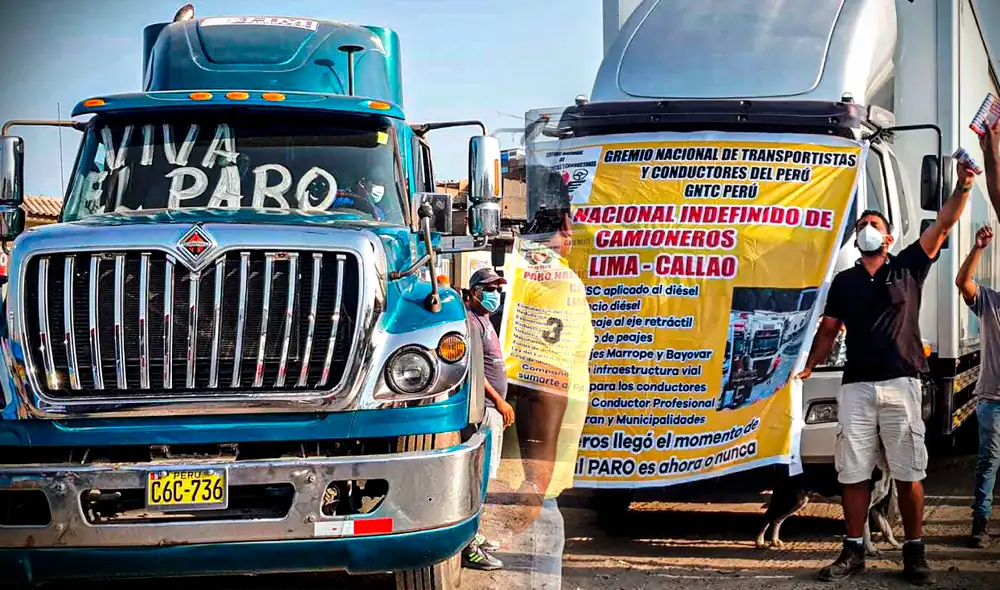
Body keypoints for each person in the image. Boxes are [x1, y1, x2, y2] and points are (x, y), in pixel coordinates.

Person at [797, 156, 976, 585]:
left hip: (902, 382)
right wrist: (807, 368)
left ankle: (915, 554)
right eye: (861, 225)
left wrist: (964, 187)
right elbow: (828, 330)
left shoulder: (909, 265)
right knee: (853, 473)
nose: (866, 229)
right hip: (856, 387)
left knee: (909, 470)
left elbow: (943, 226)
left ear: (888, 236)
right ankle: (853, 550)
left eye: (873, 223)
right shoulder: (845, 282)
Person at [461, 267, 516, 571]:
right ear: (474, 291)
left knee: (484, 476)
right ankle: (469, 546)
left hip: (492, 409)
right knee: (478, 478)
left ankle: (475, 533)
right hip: (484, 409)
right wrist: (498, 400)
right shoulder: (470, 321)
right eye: (490, 288)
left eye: (498, 288)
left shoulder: (484, 320)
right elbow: (475, 370)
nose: (495, 293)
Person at [955, 225, 1000, 548]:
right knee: (989, 461)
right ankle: (980, 524)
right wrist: (979, 248)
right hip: (992, 398)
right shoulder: (990, 302)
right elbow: (963, 283)